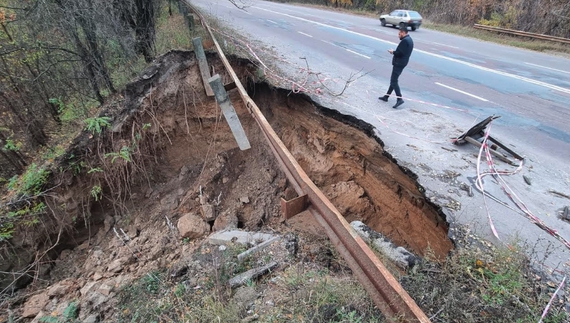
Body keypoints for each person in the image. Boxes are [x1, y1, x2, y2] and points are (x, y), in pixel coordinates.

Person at [379, 27, 414, 109]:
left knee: (394, 81)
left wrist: (393, 52)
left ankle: (399, 99)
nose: (398, 36)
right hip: (402, 63)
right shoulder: (410, 39)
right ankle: (386, 96)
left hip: (399, 63)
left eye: (399, 34)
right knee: (393, 80)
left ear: (403, 32)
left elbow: (400, 53)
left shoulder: (405, 41)